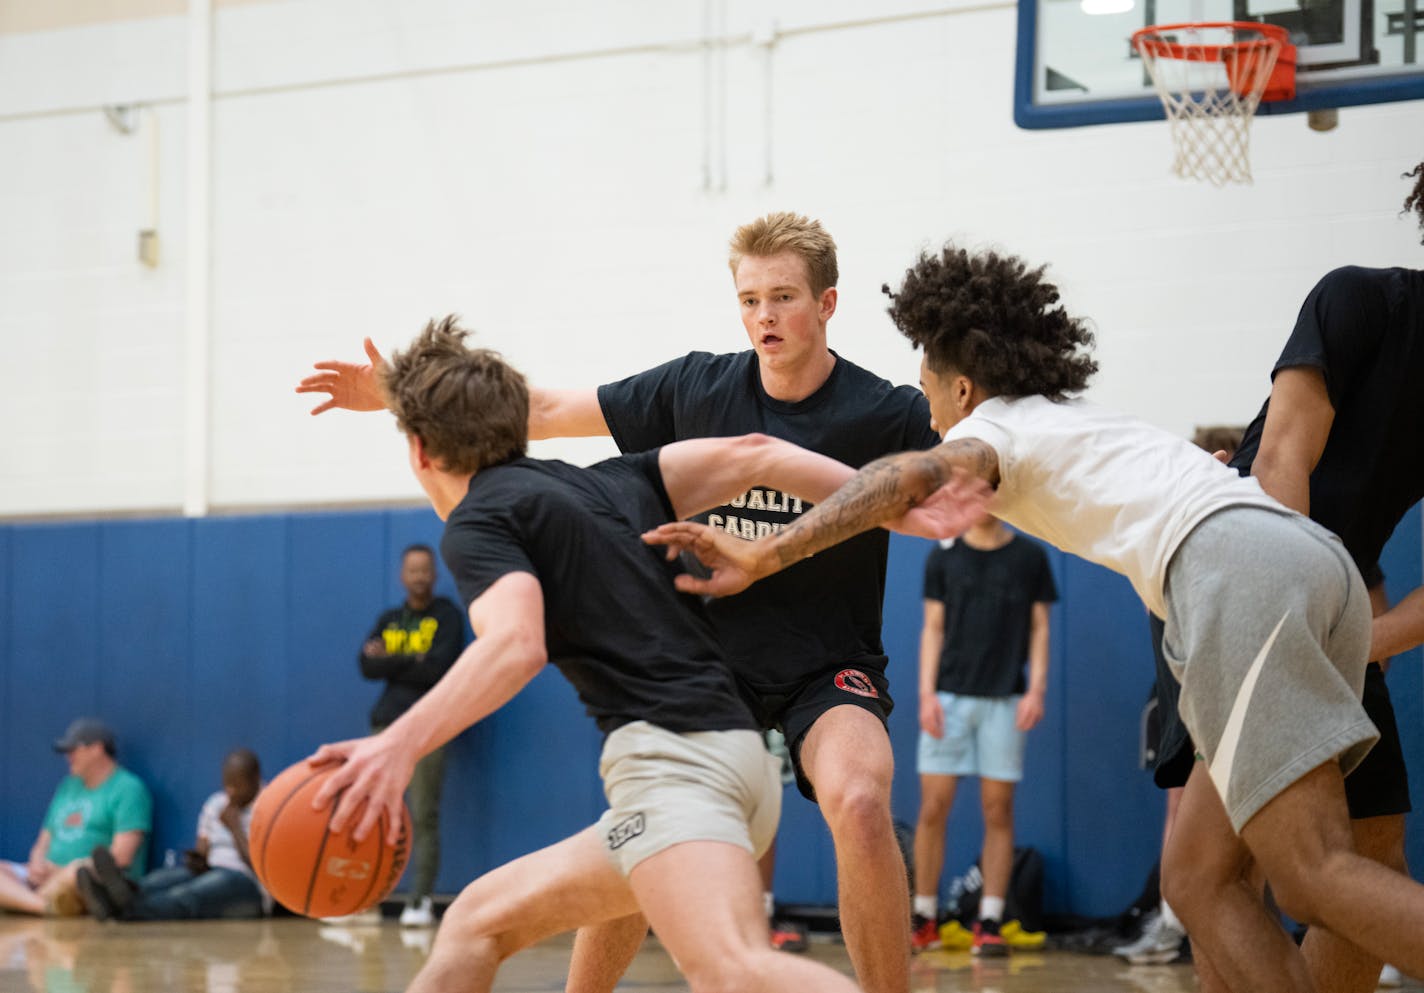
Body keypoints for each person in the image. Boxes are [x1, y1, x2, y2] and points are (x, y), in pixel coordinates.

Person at [644, 241, 1424, 993]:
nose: (929, 411)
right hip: (1310, 566)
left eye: (928, 390)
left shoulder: (993, 429)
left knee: (1314, 877)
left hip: (1239, 571)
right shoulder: (1063, 415)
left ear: (960, 389)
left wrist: (766, 551)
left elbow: (913, 474)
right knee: (1196, 880)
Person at [296, 211, 942, 993]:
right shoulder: (643, 450)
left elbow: (514, 642)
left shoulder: (498, 520)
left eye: (782, 297)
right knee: (510, 908)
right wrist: (402, 392)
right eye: (749, 299)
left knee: (809, 861)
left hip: (754, 701)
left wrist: (393, 747)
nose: (764, 316)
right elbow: (743, 452)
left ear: (827, 303)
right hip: (716, 693)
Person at [1146, 160, 1424, 993]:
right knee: (1231, 873)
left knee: (1355, 855)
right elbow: (1279, 464)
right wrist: (1319, 642)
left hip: (1314, 614)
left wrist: (1353, 644)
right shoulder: (1362, 300)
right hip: (1250, 588)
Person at [1115, 423, 1243, 968]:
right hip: (1182, 698)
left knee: (1299, 875)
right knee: (1197, 863)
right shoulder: (1166, 538)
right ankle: (1173, 926)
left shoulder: (1255, 538)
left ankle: (1182, 925)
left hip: (1232, 703)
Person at [909, 513, 1055, 956]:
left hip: (1005, 701)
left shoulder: (1030, 556)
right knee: (933, 807)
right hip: (948, 698)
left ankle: (990, 919)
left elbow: (1040, 627)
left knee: (998, 809)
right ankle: (924, 915)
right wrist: (926, 694)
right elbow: (932, 628)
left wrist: (1036, 689)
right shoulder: (942, 556)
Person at [354, 543, 465, 927]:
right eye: (412, 570)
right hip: (386, 724)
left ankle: (419, 902)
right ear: (402, 576)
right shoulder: (390, 617)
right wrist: (412, 659)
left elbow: (440, 669)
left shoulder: (447, 616)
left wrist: (392, 660)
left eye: (425, 570)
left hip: (428, 727)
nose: (419, 576)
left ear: (434, 574)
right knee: (377, 815)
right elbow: (366, 665)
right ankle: (364, 901)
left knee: (422, 815)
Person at [75, 748, 267, 922]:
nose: (231, 791)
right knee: (161, 880)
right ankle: (116, 897)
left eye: (238, 784)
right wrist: (198, 860)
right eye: (227, 784)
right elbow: (203, 849)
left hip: (246, 882)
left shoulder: (269, 808)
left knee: (187, 894)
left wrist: (234, 827)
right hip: (213, 869)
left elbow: (264, 869)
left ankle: (128, 910)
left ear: (255, 778)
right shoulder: (216, 803)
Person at [0, 718, 152, 917]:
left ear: (97, 748)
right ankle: (45, 906)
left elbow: (120, 858)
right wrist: (37, 865)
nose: (68, 756)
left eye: (73, 750)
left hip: (84, 879)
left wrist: (61, 873)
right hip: (45, 877)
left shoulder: (128, 788)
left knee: (78, 871)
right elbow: (43, 841)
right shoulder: (68, 786)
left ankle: (20, 902)